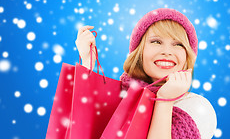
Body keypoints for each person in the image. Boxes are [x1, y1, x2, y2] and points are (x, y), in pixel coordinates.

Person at [75, 8, 217, 139]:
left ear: (187, 55)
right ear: (139, 52)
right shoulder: (120, 96)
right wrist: (87, 63)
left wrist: (164, 100)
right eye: (156, 41)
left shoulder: (197, 108)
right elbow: (81, 127)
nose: (167, 51)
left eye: (178, 44)